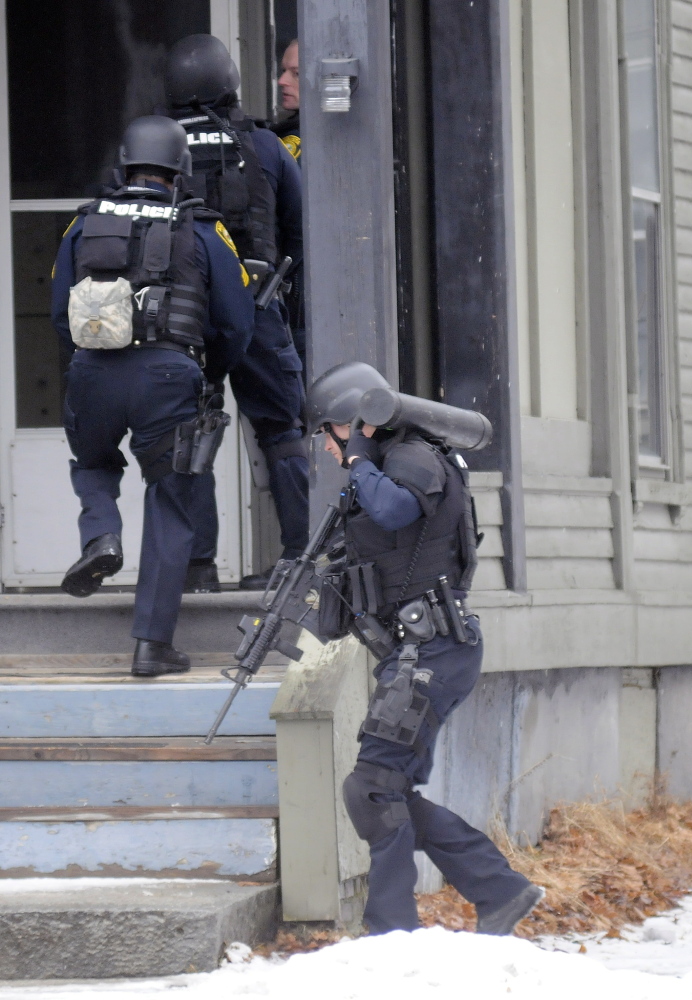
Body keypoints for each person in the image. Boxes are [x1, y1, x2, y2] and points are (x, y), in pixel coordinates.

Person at [306, 361, 545, 936]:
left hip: (433, 651)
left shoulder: (411, 458)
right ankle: (500, 891)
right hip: (417, 652)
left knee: (371, 787)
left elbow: (395, 510)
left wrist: (360, 461)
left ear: (355, 424)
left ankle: (391, 930)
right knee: (383, 789)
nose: (325, 446)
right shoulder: (384, 468)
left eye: (328, 433)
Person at [52, 116, 255, 676]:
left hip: (92, 372)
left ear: (124, 165)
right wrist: (212, 375)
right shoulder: (204, 229)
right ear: (180, 170)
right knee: (170, 500)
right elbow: (237, 323)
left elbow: (56, 311)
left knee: (93, 462)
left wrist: (88, 365)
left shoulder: (84, 223)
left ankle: (102, 534)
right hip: (168, 377)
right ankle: (151, 646)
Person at [163, 33, 308, 592]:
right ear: (228, 82)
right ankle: (300, 558)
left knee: (191, 432)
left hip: (183, 317)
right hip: (256, 305)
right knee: (282, 430)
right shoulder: (265, 146)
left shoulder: (156, 147)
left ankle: (198, 567)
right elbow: (299, 229)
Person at [269, 38, 305, 363]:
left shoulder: (302, 142)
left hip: (306, 307)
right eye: (283, 71)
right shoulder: (281, 136)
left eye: (295, 73)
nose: (282, 81)